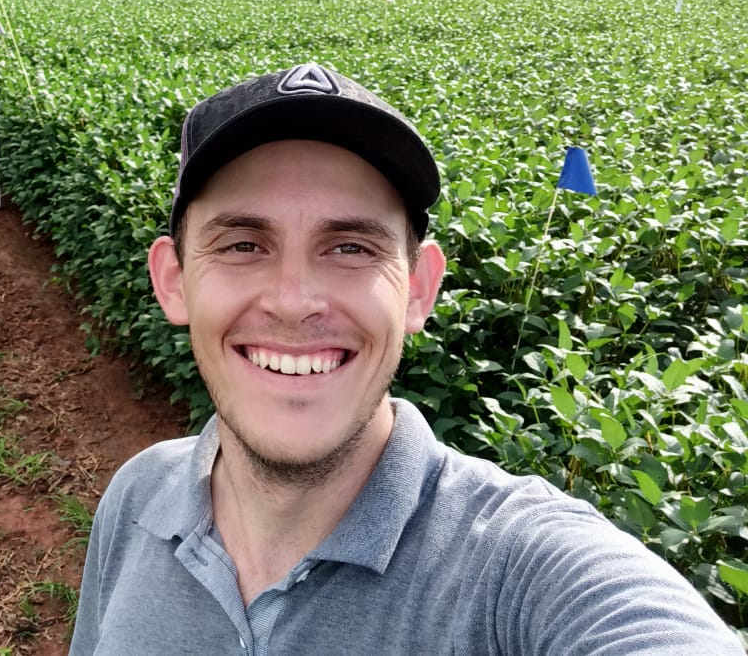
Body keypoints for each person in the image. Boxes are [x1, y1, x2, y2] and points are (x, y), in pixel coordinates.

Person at [70, 62, 742, 655]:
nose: (295, 302)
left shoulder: (514, 570)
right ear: (174, 280)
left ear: (418, 289)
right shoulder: (136, 498)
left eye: (351, 247)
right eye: (244, 244)